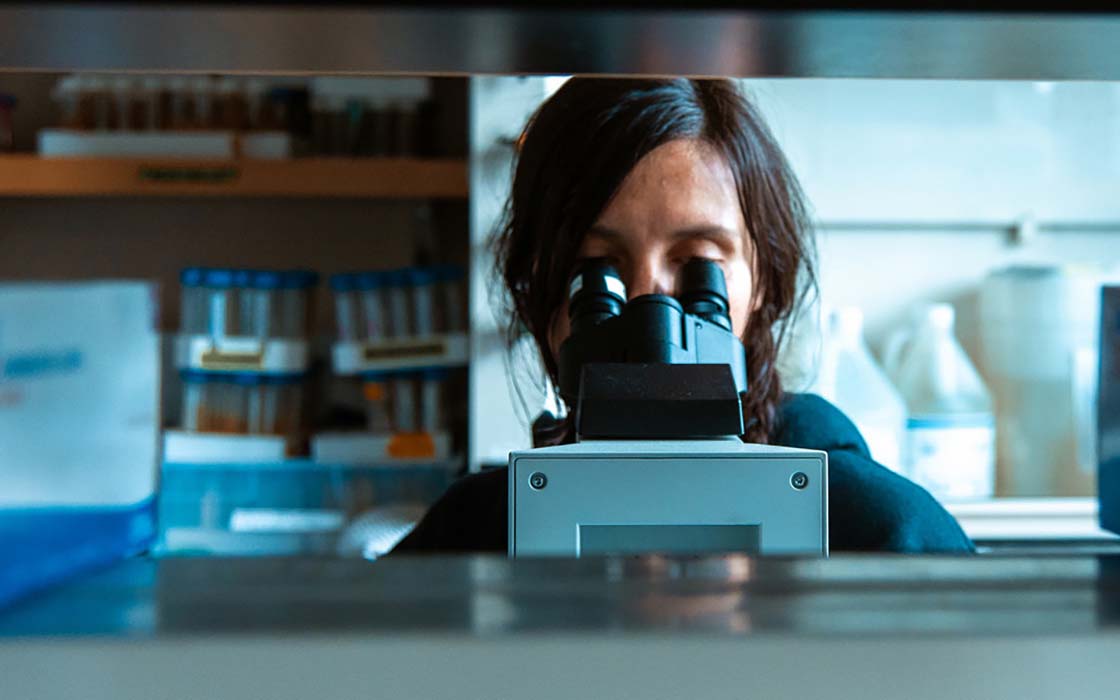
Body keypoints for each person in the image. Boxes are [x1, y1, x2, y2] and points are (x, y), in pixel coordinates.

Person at [395, 77, 973, 554]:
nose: (653, 307)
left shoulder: (886, 534)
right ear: (538, 297)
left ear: (763, 287)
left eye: (697, 263)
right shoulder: (468, 540)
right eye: (598, 265)